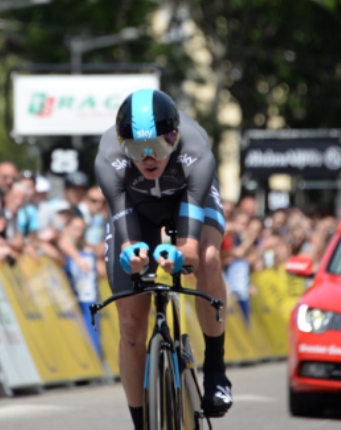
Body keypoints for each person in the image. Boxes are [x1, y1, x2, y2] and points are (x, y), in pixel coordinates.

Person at [95, 89, 232, 429]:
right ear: (120, 143)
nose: (147, 158)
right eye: (135, 149)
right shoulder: (108, 159)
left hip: (186, 199)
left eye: (156, 146)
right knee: (129, 325)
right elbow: (123, 229)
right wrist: (133, 254)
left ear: (174, 137)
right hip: (135, 208)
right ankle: (141, 423)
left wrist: (183, 256)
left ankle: (215, 369)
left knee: (208, 257)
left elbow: (187, 247)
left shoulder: (196, 150)